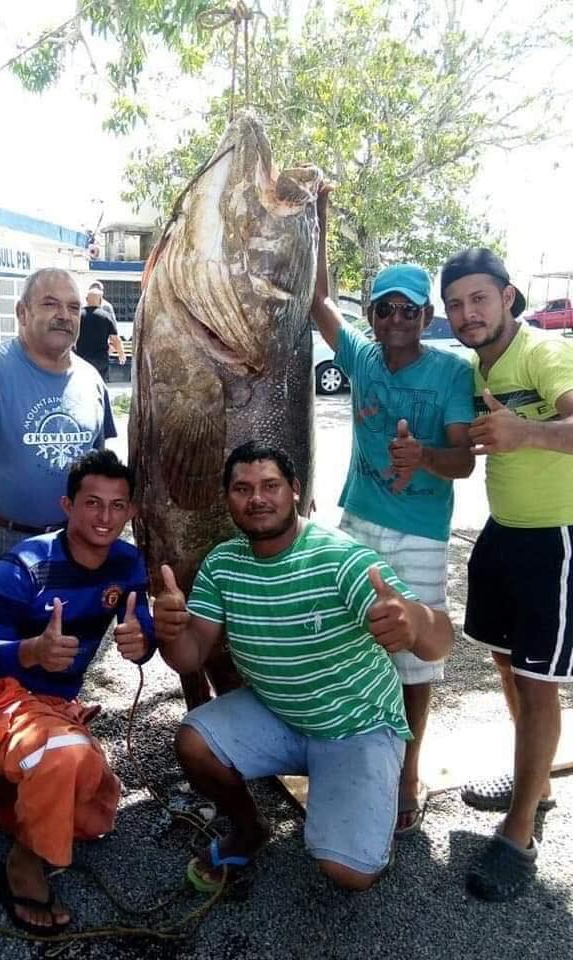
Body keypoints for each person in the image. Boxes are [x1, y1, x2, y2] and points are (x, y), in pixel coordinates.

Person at [154, 441, 454, 893]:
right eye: (242, 488)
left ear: (295, 489)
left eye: (270, 485)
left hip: (357, 726)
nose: (257, 498)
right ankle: (250, 829)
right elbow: (189, 656)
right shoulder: (223, 565)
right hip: (282, 714)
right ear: (227, 498)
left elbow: (440, 642)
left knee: (350, 874)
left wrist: (415, 622)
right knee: (194, 743)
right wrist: (170, 631)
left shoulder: (340, 558)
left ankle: (369, 810)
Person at [0, 450, 155, 934]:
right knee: (67, 758)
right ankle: (22, 865)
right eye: (92, 503)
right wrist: (32, 651)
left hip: (51, 707)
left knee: (94, 815)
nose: (104, 517)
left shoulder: (128, 564)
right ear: (67, 505)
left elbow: (139, 627)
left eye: (117, 505)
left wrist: (143, 642)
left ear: (131, 511)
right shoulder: (25, 563)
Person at [311, 188, 475, 836]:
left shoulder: (451, 373)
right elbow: (320, 302)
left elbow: (464, 463)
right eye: (386, 308)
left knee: (413, 658)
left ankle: (408, 774)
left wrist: (423, 457)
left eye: (410, 309)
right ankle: (354, 754)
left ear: (427, 316)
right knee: (352, 641)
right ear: (374, 316)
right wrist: (319, 218)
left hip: (421, 533)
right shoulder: (361, 357)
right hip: (358, 521)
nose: (398, 319)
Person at [441, 248, 573, 901]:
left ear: (508, 298)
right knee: (503, 659)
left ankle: (519, 834)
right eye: (456, 304)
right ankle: (535, 781)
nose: (468, 313)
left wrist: (527, 434)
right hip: (504, 531)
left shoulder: (545, 352)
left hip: (557, 537)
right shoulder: (476, 367)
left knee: (538, 681)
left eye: (479, 299)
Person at [0, 267, 117, 668]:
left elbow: (98, 468)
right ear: (22, 312)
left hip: (66, 544)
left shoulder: (91, 380)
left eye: (72, 307)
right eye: (50, 304)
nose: (64, 315)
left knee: (55, 652)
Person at [76, 280, 126, 381]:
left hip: (82, 360)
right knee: (99, 384)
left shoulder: (78, 316)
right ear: (100, 300)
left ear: (86, 299)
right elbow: (115, 338)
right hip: (100, 360)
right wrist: (121, 354)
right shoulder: (106, 316)